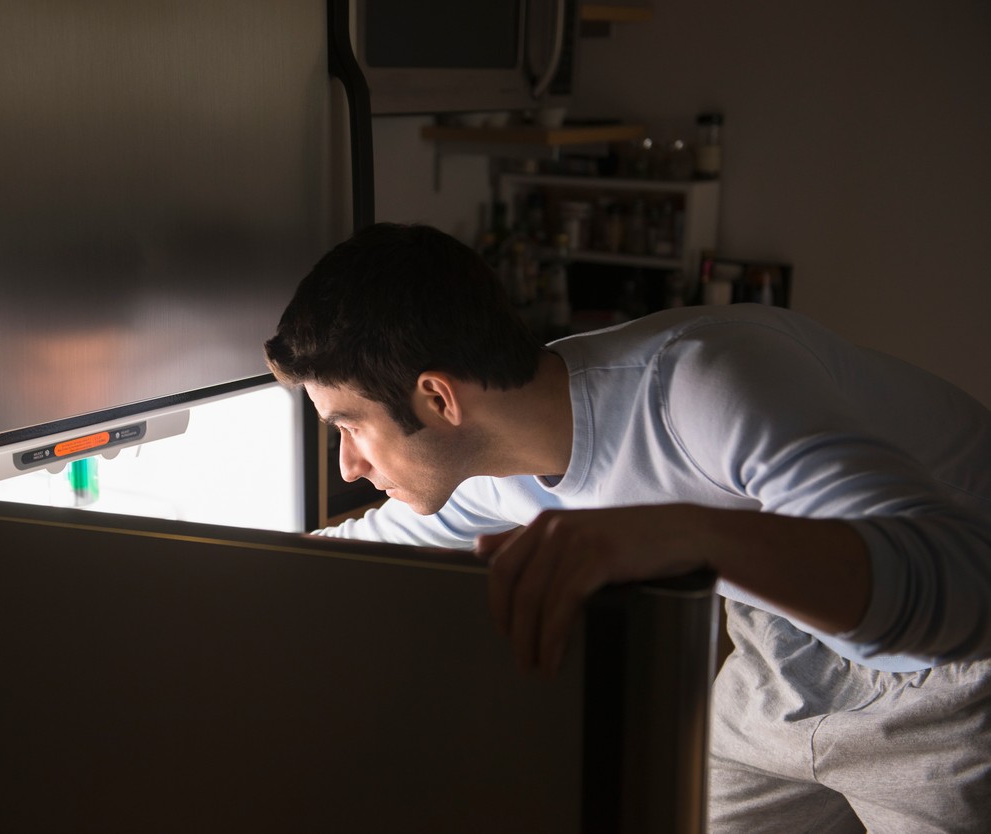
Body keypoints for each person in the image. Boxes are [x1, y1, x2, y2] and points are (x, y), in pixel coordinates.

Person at [264, 222, 991, 832]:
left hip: (957, 674)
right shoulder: (493, 469)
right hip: (782, 655)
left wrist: (688, 535)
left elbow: (960, 589)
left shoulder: (706, 384)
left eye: (348, 426)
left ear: (436, 398)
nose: (349, 465)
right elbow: (356, 550)